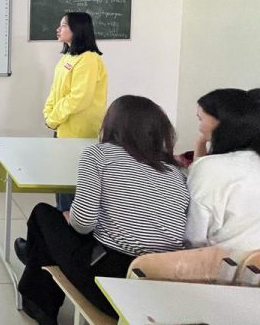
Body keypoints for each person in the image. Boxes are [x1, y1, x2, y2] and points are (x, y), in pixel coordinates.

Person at [16, 96, 189, 324]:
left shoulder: (98, 155)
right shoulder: (174, 171)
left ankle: (40, 303)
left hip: (111, 286)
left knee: (44, 215)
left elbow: (83, 223)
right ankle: (34, 260)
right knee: (64, 233)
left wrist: (69, 216)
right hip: (165, 288)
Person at [43, 12, 107, 211]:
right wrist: (48, 114)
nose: (58, 29)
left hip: (79, 132)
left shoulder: (89, 60)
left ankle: (71, 224)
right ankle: (62, 219)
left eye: (63, 25)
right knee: (61, 180)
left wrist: (53, 118)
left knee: (72, 183)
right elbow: (55, 91)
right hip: (62, 127)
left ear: (77, 29)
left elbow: (79, 98)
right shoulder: (68, 57)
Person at [186, 88, 260, 255]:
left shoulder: (211, 167)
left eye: (201, 119)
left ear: (220, 122)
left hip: (225, 265)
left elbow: (194, 237)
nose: (200, 128)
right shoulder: (251, 162)